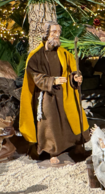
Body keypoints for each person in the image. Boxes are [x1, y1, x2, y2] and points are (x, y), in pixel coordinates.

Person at [20, 22, 90, 164]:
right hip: (46, 95)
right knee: (50, 123)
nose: (57, 35)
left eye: (58, 32)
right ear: (45, 34)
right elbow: (36, 76)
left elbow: (72, 71)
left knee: (69, 119)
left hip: (64, 93)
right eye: (53, 32)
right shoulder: (35, 56)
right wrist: (52, 81)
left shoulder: (64, 53)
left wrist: (75, 77)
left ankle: (72, 146)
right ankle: (52, 151)